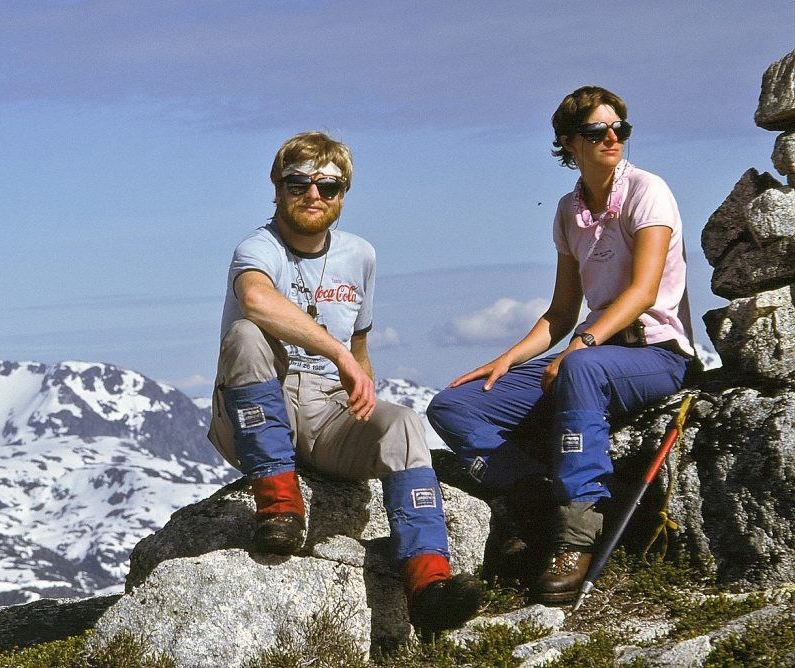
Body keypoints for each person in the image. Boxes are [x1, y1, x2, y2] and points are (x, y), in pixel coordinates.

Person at [426, 86, 696, 605]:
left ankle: (575, 537)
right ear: (569, 143)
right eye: (597, 131)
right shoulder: (568, 210)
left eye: (621, 127)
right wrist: (506, 360)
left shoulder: (648, 191)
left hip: (656, 353)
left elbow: (642, 292)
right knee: (454, 404)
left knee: (581, 371)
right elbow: (560, 313)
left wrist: (582, 346)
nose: (613, 137)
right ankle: (532, 496)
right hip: (591, 354)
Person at [207, 131, 484, 635]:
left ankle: (428, 584)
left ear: (343, 196)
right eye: (299, 183)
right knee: (247, 335)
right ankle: (280, 509)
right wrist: (334, 351)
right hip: (257, 401)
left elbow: (359, 346)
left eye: (329, 187)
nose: (314, 195)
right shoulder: (256, 247)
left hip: (327, 411)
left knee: (402, 424)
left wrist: (361, 388)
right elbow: (254, 300)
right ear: (276, 188)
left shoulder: (361, 256)